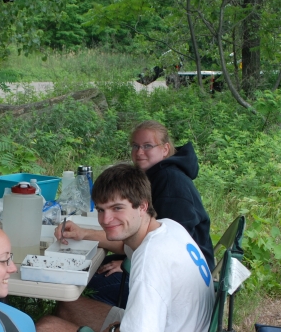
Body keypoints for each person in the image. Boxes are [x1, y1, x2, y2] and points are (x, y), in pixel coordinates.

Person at [36, 164, 214, 332]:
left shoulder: (151, 261)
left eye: (117, 208)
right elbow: (124, 242)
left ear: (142, 206)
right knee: (68, 307)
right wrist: (84, 234)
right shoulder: (167, 227)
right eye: (101, 209)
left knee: (42, 330)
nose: (106, 219)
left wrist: (117, 330)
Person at [61, 120, 213, 306]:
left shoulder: (170, 182)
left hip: (179, 283)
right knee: (89, 269)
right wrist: (83, 233)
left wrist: (129, 263)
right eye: (135, 146)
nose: (139, 152)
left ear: (165, 149)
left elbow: (166, 245)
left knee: (85, 281)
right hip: (153, 263)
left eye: (147, 146)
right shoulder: (157, 174)